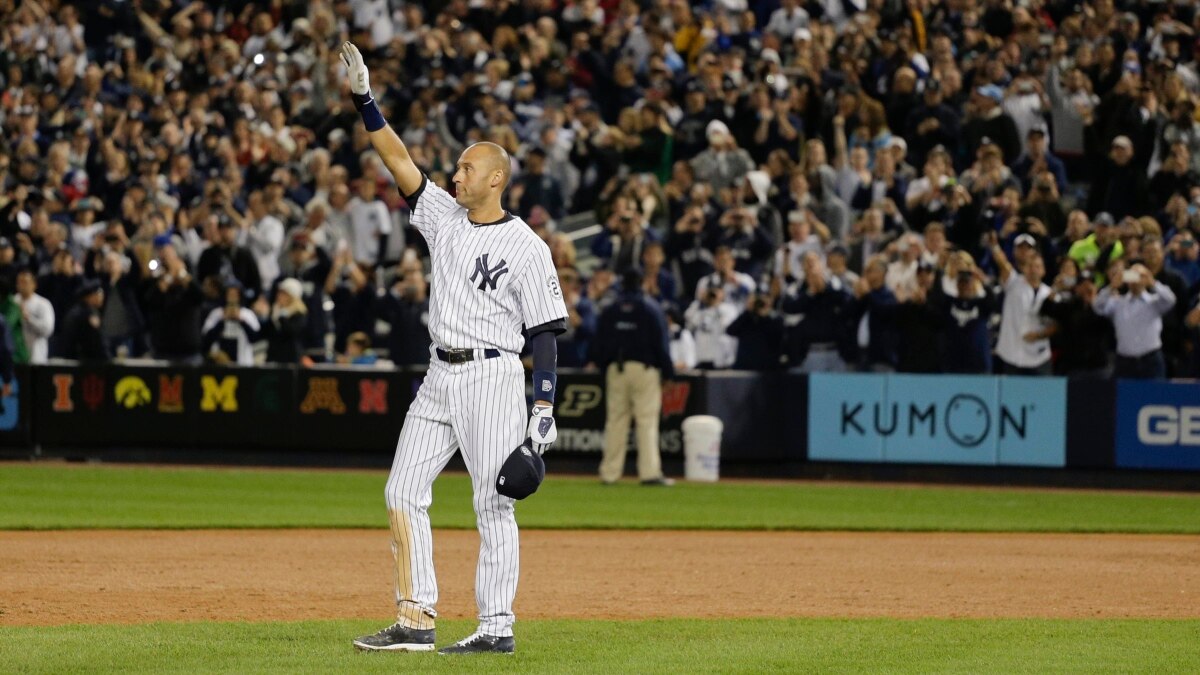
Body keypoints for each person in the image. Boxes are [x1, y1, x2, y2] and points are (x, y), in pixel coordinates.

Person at [342, 44, 568, 656]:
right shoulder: (443, 217)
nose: (457, 174)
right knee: (401, 490)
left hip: (493, 378)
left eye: (468, 168)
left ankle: (497, 626)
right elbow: (399, 160)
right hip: (439, 375)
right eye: (459, 168)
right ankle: (416, 619)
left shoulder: (527, 246)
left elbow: (545, 332)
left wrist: (543, 411)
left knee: (494, 504)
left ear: (497, 178)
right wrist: (366, 98)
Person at [590, 269, 675, 486]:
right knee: (646, 422)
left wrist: (603, 367)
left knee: (616, 422)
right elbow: (661, 343)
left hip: (616, 369)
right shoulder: (650, 308)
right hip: (644, 370)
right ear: (642, 282)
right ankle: (649, 474)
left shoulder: (610, 310)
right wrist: (668, 373)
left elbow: (598, 343)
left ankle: (609, 474)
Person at [1093, 263, 1177, 379]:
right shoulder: (1117, 303)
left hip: (1151, 360)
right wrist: (1111, 286)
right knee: (1124, 396)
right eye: (1132, 274)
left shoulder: (1154, 302)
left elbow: (1170, 300)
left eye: (1140, 275)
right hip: (1124, 362)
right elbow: (1098, 307)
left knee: (1154, 395)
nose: (1136, 279)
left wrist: (1153, 283)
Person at [991, 235, 1054, 375]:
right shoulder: (1013, 283)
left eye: (1037, 266)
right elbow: (1003, 264)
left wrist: (1039, 335)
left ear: (1043, 270)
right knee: (1011, 395)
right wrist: (995, 247)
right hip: (1012, 354)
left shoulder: (1049, 293)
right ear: (1024, 268)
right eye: (1030, 266)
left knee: (1041, 395)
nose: (1033, 269)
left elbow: (1056, 325)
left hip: (1039, 355)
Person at [202, 281, 260, 366]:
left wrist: (241, 320)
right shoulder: (216, 314)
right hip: (219, 364)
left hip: (243, 364)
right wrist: (222, 321)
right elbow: (206, 340)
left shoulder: (247, 314)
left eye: (235, 294)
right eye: (230, 294)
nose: (232, 297)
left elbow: (255, 339)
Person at [55, 279, 109, 361]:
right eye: (99, 293)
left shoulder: (75, 311)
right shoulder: (88, 314)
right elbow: (97, 343)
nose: (102, 297)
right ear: (90, 296)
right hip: (86, 364)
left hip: (72, 361)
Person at [13, 268, 54, 364]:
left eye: (25, 282)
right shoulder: (12, 302)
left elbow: (48, 330)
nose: (21, 285)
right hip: (15, 357)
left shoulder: (43, 304)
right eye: (19, 282)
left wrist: (29, 318)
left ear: (34, 284)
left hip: (36, 357)